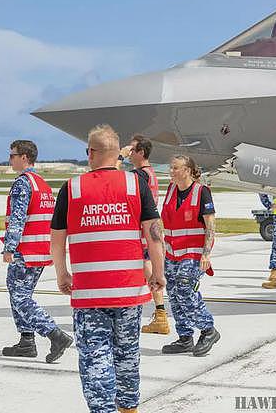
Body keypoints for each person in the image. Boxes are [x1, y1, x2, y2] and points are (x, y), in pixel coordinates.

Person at [51, 124, 165, 413]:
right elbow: (154, 233)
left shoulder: (71, 188)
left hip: (89, 293)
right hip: (128, 289)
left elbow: (57, 237)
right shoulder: (135, 184)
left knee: (95, 358)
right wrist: (159, 273)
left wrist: (62, 273)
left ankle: (103, 409)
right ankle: (129, 408)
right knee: (127, 355)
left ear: (90, 153)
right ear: (117, 155)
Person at [0, 140, 73, 363]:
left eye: (12, 155)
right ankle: (26, 341)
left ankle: (54, 334)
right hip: (42, 250)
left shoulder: (23, 183)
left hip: (26, 250)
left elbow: (18, 218)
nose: (9, 159)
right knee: (19, 293)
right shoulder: (41, 184)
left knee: (20, 297)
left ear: (24, 157)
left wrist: (9, 247)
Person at [160, 155, 220, 357]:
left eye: (175, 168)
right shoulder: (170, 191)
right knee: (175, 295)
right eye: (171, 167)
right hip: (172, 252)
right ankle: (185, 337)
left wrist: (206, 254)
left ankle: (208, 329)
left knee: (185, 289)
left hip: (193, 253)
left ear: (187, 170)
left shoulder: (201, 192)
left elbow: (210, 226)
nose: (171, 171)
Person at [120, 134, 169, 335]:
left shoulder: (140, 175)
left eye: (132, 150)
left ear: (141, 152)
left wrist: (119, 157)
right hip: (147, 229)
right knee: (145, 272)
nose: (130, 153)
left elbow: (113, 178)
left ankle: (159, 315)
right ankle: (159, 314)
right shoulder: (150, 173)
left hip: (140, 231)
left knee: (145, 272)